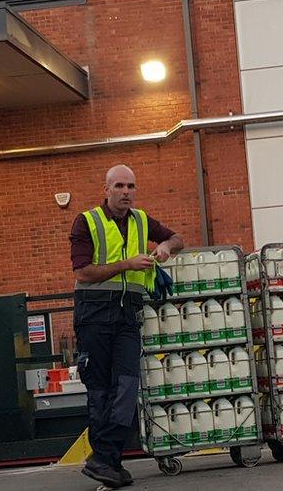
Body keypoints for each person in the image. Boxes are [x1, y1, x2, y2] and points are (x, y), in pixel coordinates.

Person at [69, 164, 184, 488]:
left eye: (131, 186)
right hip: (94, 315)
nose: (126, 192)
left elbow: (178, 238)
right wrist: (126, 264)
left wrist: (164, 247)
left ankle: (103, 460)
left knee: (127, 387)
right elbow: (83, 272)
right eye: (119, 186)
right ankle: (109, 461)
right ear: (106, 190)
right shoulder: (86, 222)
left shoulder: (141, 220)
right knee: (101, 391)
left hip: (127, 316)